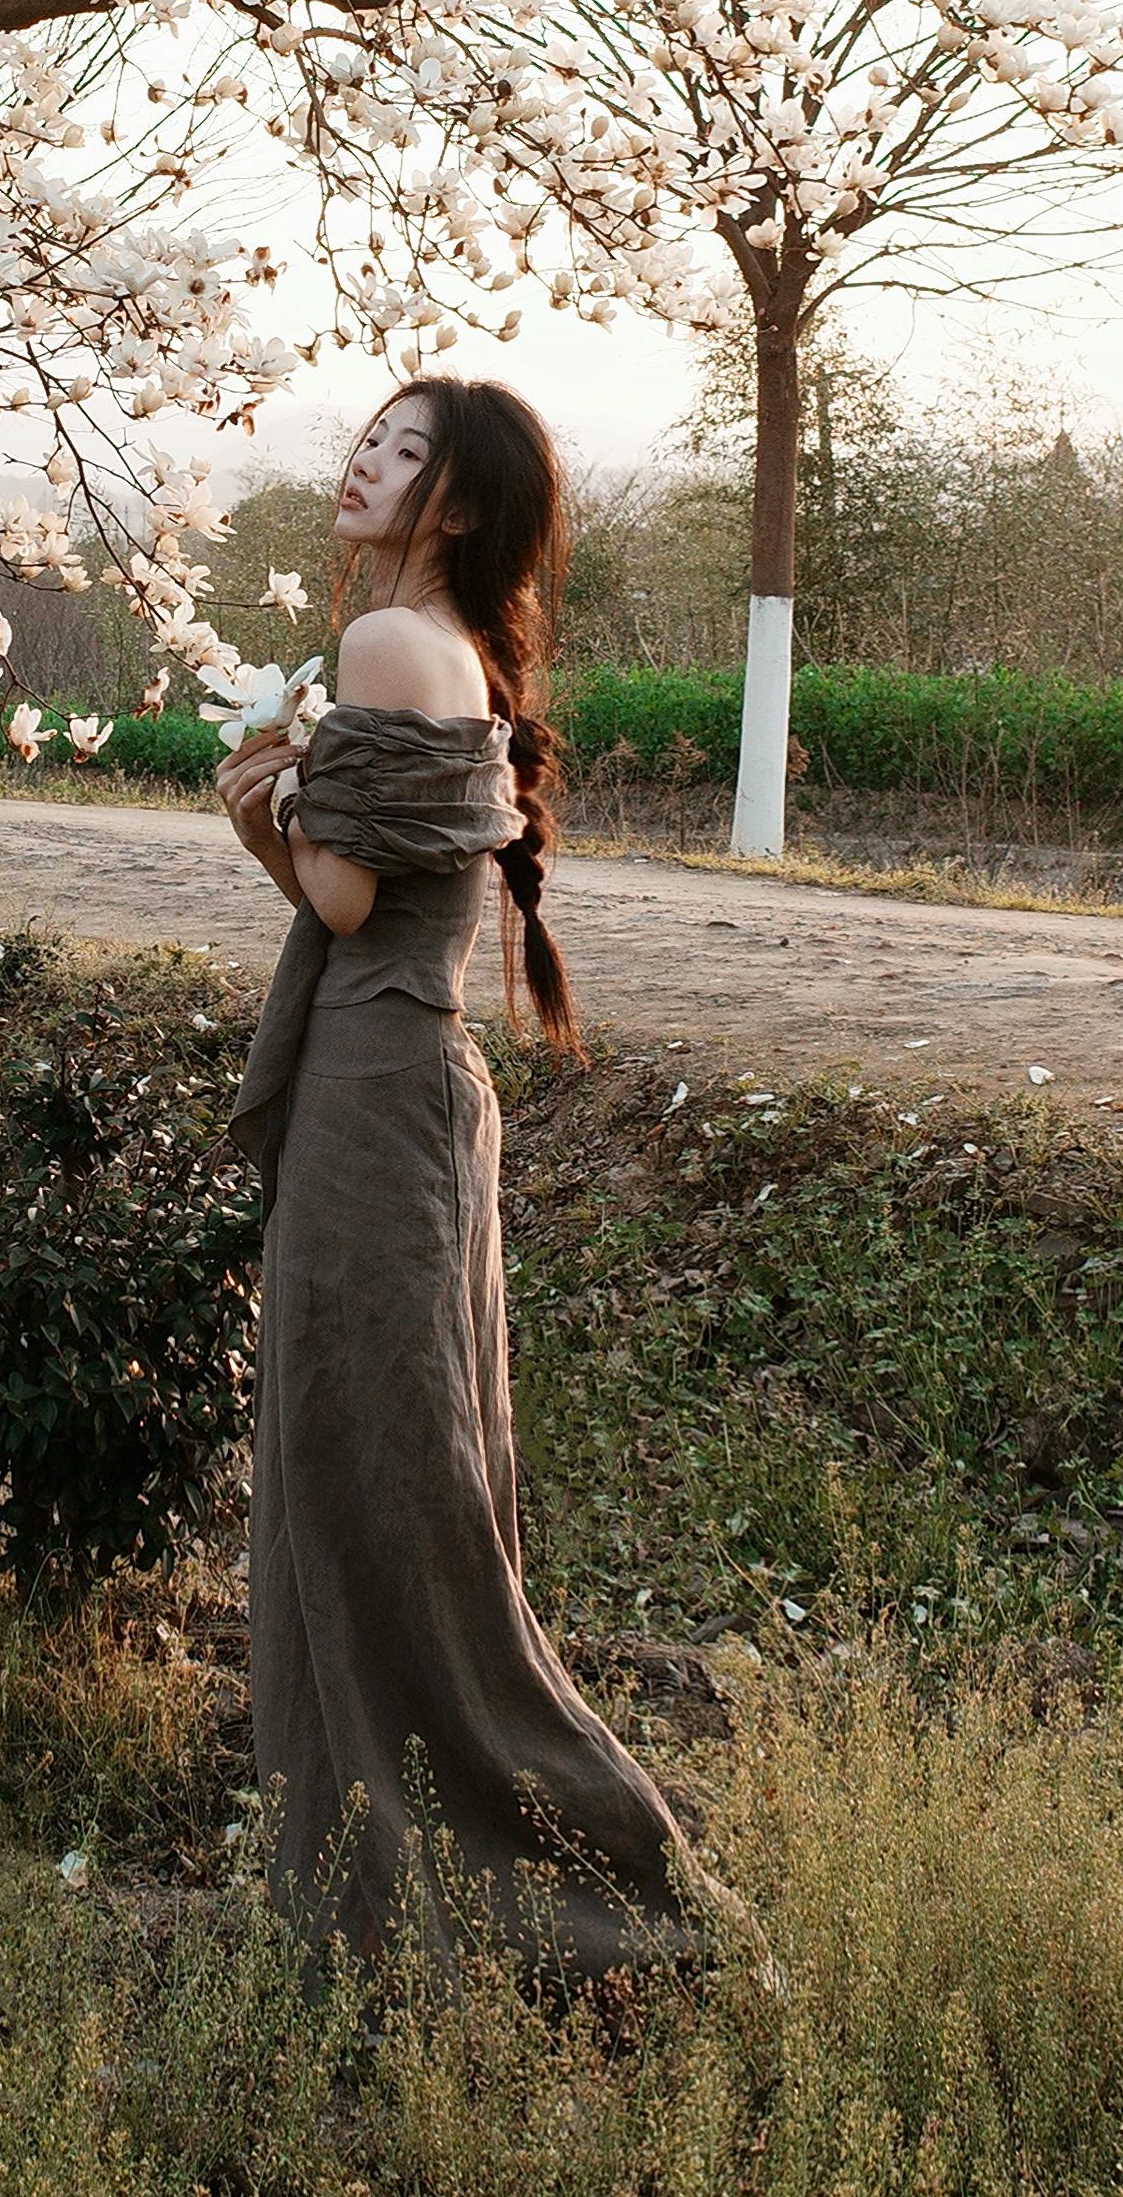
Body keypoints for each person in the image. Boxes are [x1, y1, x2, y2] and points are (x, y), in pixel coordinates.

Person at [217, 376, 718, 2000]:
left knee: (373, 1479)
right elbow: (376, 893)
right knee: (409, 1470)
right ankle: (424, 1853)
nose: (366, 459)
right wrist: (300, 804)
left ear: (463, 502)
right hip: (414, 1092)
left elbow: (345, 902)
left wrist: (264, 805)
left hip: (375, 1101)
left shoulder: (386, 645)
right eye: (371, 435)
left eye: (406, 449)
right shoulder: (451, 649)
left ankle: (510, 1872)